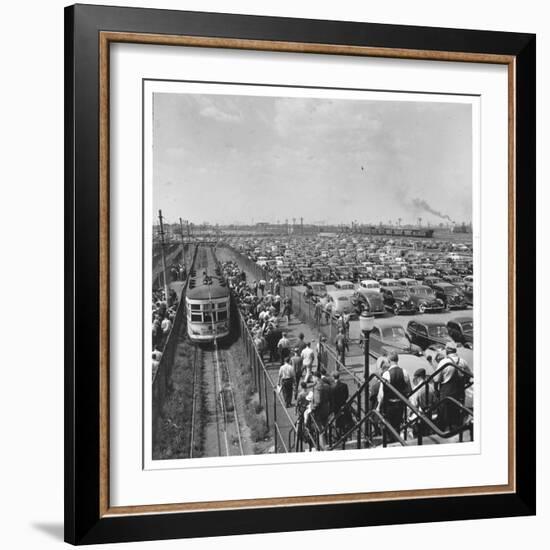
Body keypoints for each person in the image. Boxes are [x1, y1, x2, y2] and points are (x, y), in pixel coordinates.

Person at [434, 344, 472, 430]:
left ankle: (446, 431)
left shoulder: (443, 362)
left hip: (446, 393)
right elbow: (470, 375)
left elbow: (436, 380)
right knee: (457, 415)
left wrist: (436, 391)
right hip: (459, 393)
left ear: (447, 351)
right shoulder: (463, 362)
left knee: (445, 417)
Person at [376, 351, 412, 442]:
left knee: (389, 427)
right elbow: (409, 389)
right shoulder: (404, 372)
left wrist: (378, 406)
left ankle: (391, 442)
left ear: (389, 360)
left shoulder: (386, 374)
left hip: (389, 405)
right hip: (400, 404)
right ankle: (397, 441)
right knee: (398, 425)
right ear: (397, 360)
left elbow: (382, 394)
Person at [409, 367, 436, 437]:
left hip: (420, 416)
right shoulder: (431, 387)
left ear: (418, 378)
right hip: (429, 414)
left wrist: (409, 414)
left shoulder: (417, 388)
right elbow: (435, 401)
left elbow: (414, 404)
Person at [311, 371, 332, 449]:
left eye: (313, 377)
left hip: (319, 411)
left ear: (316, 377)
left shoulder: (317, 387)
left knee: (320, 430)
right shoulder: (327, 385)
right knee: (324, 427)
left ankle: (323, 447)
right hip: (326, 409)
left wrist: (312, 408)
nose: (312, 379)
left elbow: (318, 401)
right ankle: (325, 444)